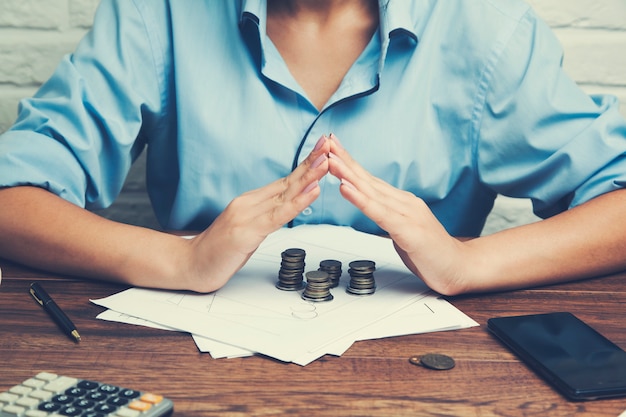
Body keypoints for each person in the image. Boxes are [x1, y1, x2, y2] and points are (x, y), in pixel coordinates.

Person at [0, 0, 625, 296]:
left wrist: (470, 264)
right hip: (194, 368)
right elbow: (12, 197)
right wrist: (179, 263)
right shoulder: (156, 16)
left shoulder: (487, 32)